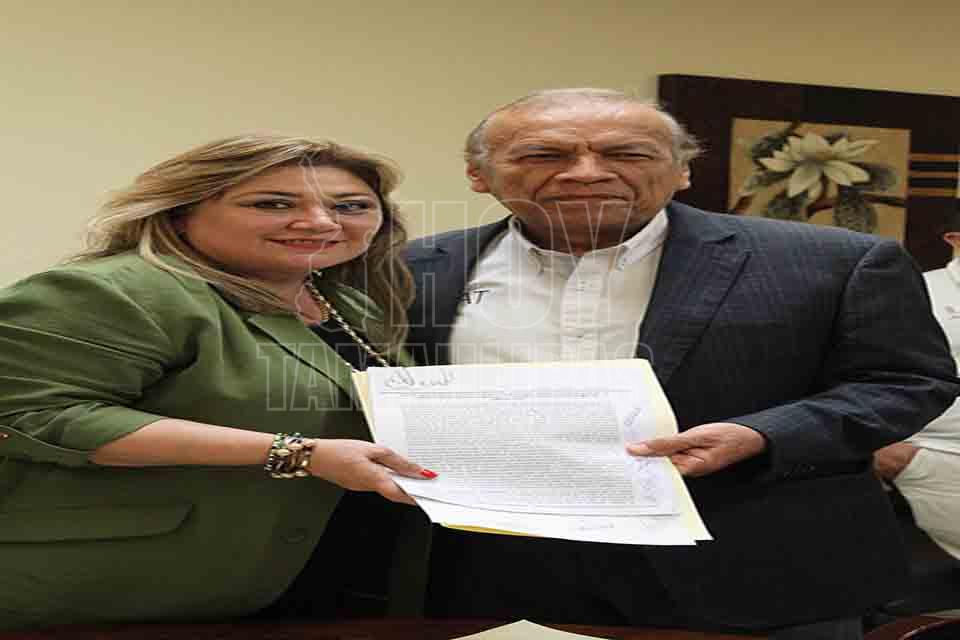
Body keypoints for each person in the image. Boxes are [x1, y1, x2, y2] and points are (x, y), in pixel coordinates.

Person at [403, 89, 959, 639]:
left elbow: (908, 382)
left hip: (758, 575)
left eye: (628, 154)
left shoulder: (834, 261)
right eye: (544, 155)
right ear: (479, 173)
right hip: (495, 575)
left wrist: (761, 435)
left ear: (682, 171)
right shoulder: (415, 267)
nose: (586, 173)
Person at [0, 135, 436, 630]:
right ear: (179, 212)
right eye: (272, 204)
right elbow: (34, 417)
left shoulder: (351, 305)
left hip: (299, 580)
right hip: (107, 588)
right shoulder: (113, 290)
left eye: (351, 206)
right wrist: (298, 454)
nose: (320, 221)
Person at [874, 209, 960, 563]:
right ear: (954, 239)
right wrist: (888, 454)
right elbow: (861, 371)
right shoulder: (917, 292)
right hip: (935, 456)